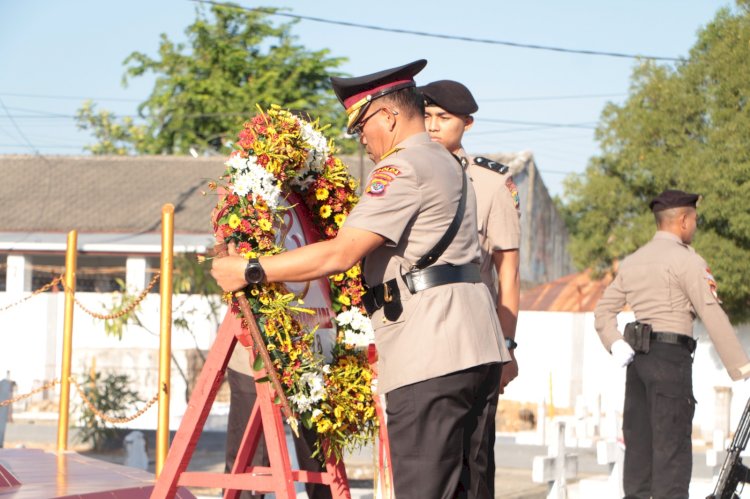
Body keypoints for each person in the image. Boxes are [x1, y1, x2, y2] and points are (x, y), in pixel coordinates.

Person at [212, 59, 510, 499]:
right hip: (475, 345)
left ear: (388, 116)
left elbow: (341, 252)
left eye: (362, 125)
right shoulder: (448, 164)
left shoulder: (402, 168)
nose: (362, 139)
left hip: (432, 349)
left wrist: (251, 270)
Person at [594, 189, 750, 499]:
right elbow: (712, 313)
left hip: (636, 362)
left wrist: (615, 343)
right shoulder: (687, 261)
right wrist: (743, 368)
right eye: (694, 219)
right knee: (671, 455)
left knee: (639, 452)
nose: (695, 225)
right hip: (670, 360)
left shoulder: (633, 261)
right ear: (682, 220)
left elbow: (603, 312)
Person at [419, 79, 521, 496]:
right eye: (425, 116)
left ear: (468, 123)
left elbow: (508, 274)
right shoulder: (404, 175)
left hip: (473, 343)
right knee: (425, 466)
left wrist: (509, 348)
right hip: (419, 339)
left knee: (474, 463)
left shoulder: (490, 184)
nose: (432, 126)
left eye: (443, 118)